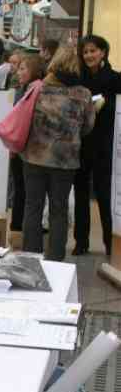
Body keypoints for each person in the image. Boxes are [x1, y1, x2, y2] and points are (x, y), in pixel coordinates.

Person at [20, 47, 95, 261]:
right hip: (66, 160)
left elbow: (23, 117)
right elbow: (88, 127)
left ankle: (31, 256)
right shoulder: (84, 94)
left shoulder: (37, 88)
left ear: (54, 63)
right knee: (59, 210)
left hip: (34, 156)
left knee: (32, 206)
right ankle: (55, 258)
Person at [73, 34, 121, 256]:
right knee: (81, 194)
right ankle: (81, 242)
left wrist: (105, 104)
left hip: (106, 146)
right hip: (81, 145)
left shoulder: (115, 79)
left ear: (103, 52)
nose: (89, 55)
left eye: (93, 51)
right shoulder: (78, 79)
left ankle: (110, 243)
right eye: (85, 52)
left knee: (104, 195)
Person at [10, 55, 45, 232]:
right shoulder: (24, 88)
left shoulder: (35, 89)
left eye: (23, 68)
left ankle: (20, 229)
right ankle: (18, 228)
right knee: (21, 190)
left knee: (24, 191)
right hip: (21, 146)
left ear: (34, 70)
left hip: (25, 147)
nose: (19, 72)